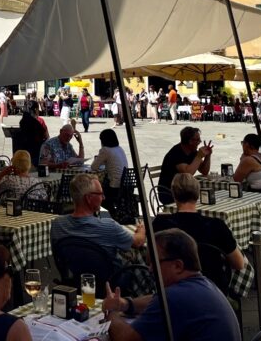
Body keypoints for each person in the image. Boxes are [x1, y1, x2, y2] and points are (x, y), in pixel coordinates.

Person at [103, 228, 242, 341]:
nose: (150, 269)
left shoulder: (174, 298)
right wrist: (126, 304)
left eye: (154, 263)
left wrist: (112, 312)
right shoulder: (201, 285)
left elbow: (125, 338)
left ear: (178, 266)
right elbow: (156, 299)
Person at [50, 173, 146, 267]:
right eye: (100, 194)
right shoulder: (109, 227)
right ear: (89, 198)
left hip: (75, 277)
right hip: (112, 280)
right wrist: (142, 230)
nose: (103, 197)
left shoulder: (57, 224)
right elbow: (138, 242)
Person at [157, 127, 212, 204]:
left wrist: (208, 156)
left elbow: (204, 171)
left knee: (208, 195)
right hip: (169, 192)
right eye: (198, 140)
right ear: (190, 141)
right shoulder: (176, 153)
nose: (199, 142)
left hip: (183, 189)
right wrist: (199, 156)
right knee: (203, 198)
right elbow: (188, 173)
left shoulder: (193, 151)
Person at [91, 129, 128, 200]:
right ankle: (112, 210)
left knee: (94, 193)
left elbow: (93, 167)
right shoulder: (120, 149)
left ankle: (111, 210)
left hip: (114, 187)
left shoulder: (105, 150)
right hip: (126, 185)